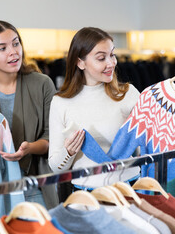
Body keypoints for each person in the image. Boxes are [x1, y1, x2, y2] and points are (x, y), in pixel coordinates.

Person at [0, 20, 58, 208]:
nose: (13, 51)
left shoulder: (42, 84)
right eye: (2, 48)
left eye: (16, 43)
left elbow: (52, 136)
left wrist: (29, 148)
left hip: (32, 185)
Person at [48, 27, 141, 196]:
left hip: (131, 189)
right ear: (80, 62)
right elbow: (55, 166)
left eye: (112, 55)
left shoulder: (129, 93)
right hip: (87, 196)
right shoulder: (61, 103)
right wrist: (68, 152)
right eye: (101, 58)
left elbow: (148, 149)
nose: (111, 63)